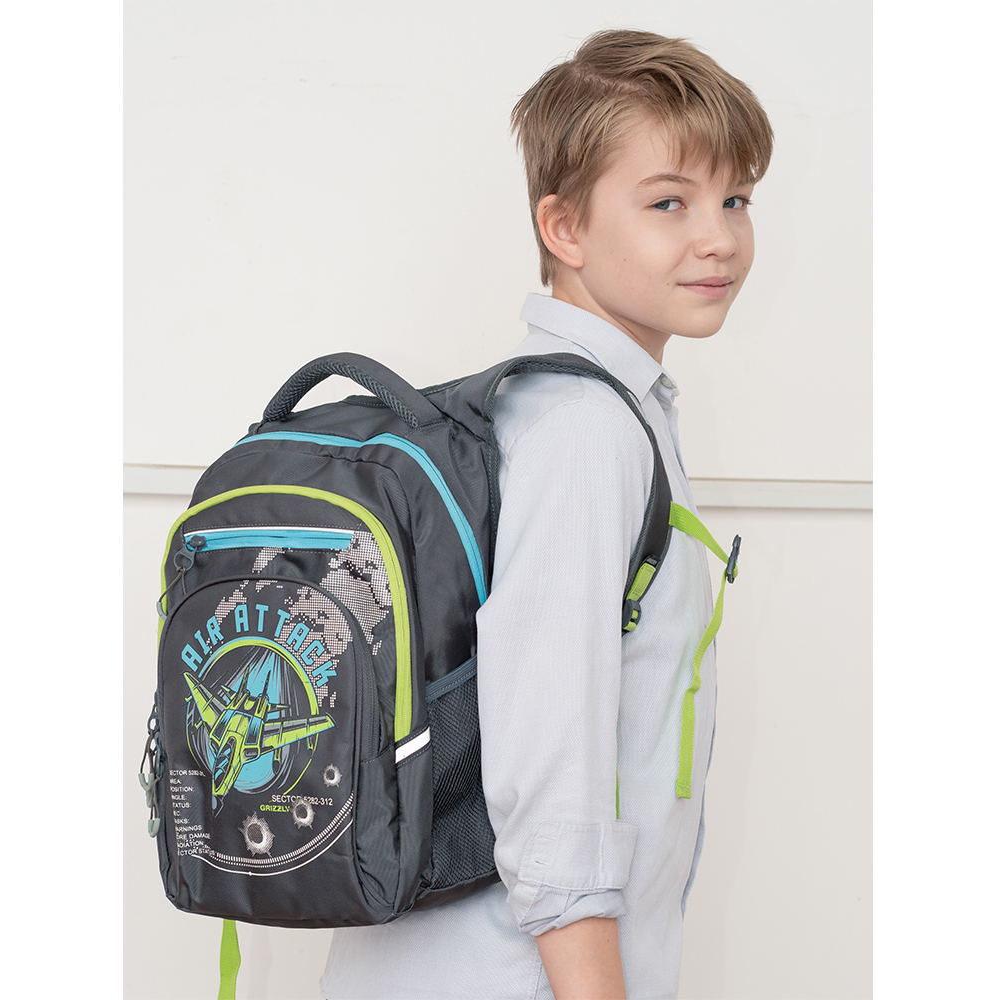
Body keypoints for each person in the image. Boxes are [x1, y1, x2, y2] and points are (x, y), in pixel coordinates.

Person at [320, 28, 772, 1000]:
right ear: (564, 229)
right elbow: (551, 763)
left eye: (735, 198)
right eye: (669, 202)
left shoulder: (564, 408)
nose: (719, 237)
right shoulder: (583, 431)